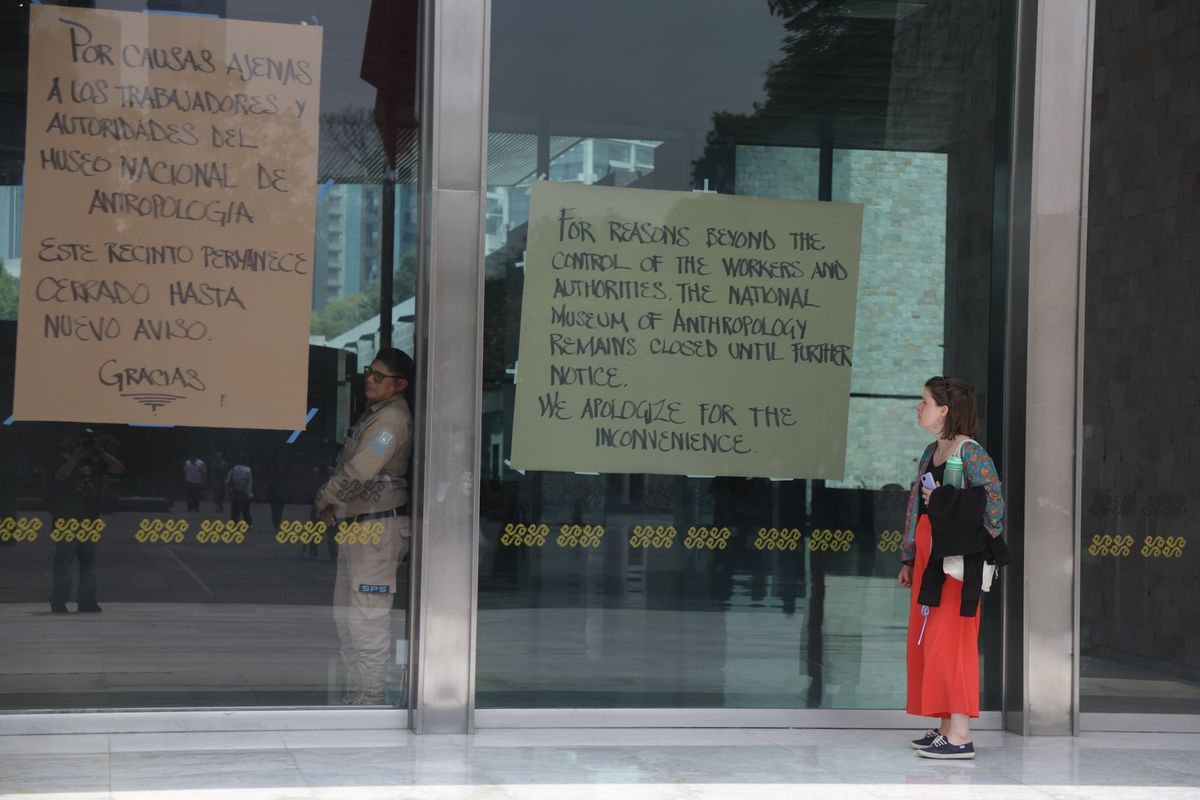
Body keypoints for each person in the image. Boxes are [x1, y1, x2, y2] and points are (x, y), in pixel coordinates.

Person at [898, 377, 1004, 760]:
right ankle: (946, 726)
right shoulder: (933, 451)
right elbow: (917, 508)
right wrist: (909, 557)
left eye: (924, 401)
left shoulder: (970, 452)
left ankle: (960, 734)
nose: (918, 407)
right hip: (931, 559)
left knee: (954, 641)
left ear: (944, 410)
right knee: (932, 639)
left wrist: (966, 544)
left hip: (957, 563)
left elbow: (994, 507)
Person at [315, 348, 414, 705]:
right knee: (348, 616)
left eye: (379, 376)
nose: (370, 379)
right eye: (369, 372)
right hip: (360, 527)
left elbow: (362, 469)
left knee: (366, 618)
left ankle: (371, 695)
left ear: (399, 384)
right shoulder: (376, 415)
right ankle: (358, 691)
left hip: (377, 529)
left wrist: (326, 497)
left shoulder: (390, 422)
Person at [49, 427, 124, 613]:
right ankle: (59, 600)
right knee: (63, 561)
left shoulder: (97, 460)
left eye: (89, 441)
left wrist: (101, 452)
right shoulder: (64, 457)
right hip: (66, 518)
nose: (86, 444)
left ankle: (87, 601)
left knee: (88, 561)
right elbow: (60, 475)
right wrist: (76, 456)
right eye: (84, 441)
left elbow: (119, 469)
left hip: (89, 517)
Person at [226, 456, 254, 528]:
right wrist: (249, 493)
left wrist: (229, 491)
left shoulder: (233, 468)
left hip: (235, 490)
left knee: (235, 509)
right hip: (244, 491)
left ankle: (234, 524)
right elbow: (249, 482)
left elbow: (228, 480)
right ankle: (248, 524)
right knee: (245, 509)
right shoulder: (248, 469)